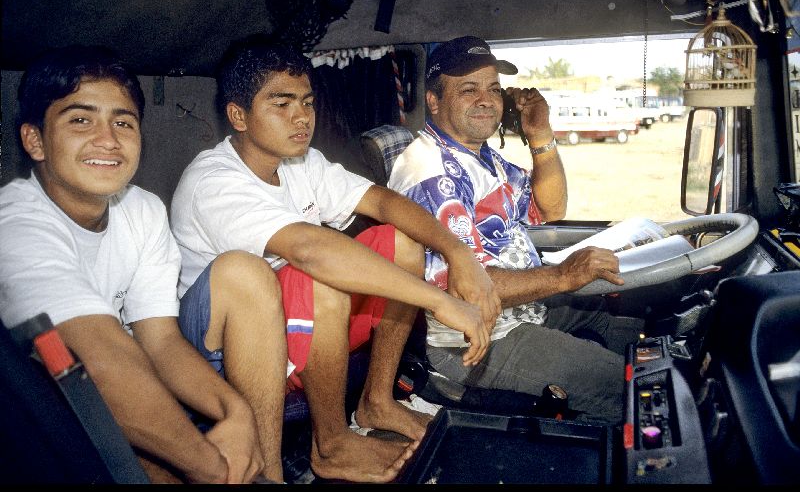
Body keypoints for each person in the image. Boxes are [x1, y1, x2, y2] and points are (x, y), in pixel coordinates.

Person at [170, 35, 501, 483]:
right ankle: (327, 445)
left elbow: (382, 200)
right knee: (315, 276)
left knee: (401, 241)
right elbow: (309, 249)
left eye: (307, 102)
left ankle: (377, 401)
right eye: (281, 104)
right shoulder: (212, 181)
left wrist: (458, 252)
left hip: (288, 319)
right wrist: (439, 300)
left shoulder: (301, 163)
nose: (301, 117)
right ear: (239, 116)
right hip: (224, 345)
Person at [0, 45, 284, 484]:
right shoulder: (15, 223)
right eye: (80, 120)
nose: (108, 139)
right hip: (44, 410)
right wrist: (208, 466)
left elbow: (161, 341)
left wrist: (237, 412)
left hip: (123, 376)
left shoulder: (142, 210)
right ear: (35, 140)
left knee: (246, 273)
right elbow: (99, 361)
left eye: (123, 122)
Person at [387, 36, 645, 424]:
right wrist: (563, 276)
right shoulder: (432, 174)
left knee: (639, 335)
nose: (487, 100)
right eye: (469, 89)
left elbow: (550, 207)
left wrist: (539, 134)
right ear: (434, 101)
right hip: (475, 338)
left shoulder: (479, 156)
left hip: (522, 310)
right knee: (627, 385)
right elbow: (468, 289)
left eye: (494, 89)